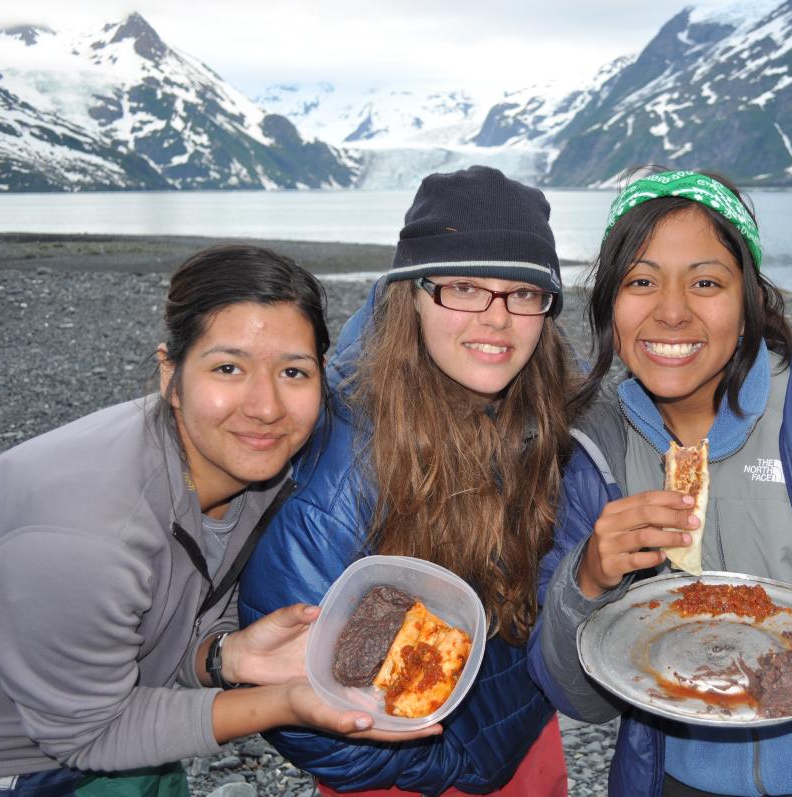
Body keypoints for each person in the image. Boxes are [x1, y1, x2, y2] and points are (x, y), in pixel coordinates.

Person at [529, 169, 792, 797]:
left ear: (750, 302)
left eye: (707, 282)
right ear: (608, 303)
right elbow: (575, 695)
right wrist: (587, 580)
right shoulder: (595, 450)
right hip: (674, 782)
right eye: (640, 281)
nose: (671, 311)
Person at [0, 245, 435, 797]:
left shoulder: (254, 469)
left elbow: (154, 636)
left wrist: (228, 656)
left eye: (293, 372)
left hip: (122, 725)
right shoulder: (87, 536)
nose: (266, 407)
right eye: (229, 368)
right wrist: (281, 702)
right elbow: (89, 735)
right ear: (170, 375)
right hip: (23, 762)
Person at [238, 166, 576, 796]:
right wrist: (444, 770)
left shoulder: (545, 415)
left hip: (528, 746)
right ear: (410, 293)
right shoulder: (344, 463)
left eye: (524, 293)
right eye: (465, 287)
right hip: (417, 775)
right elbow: (288, 696)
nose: (498, 319)